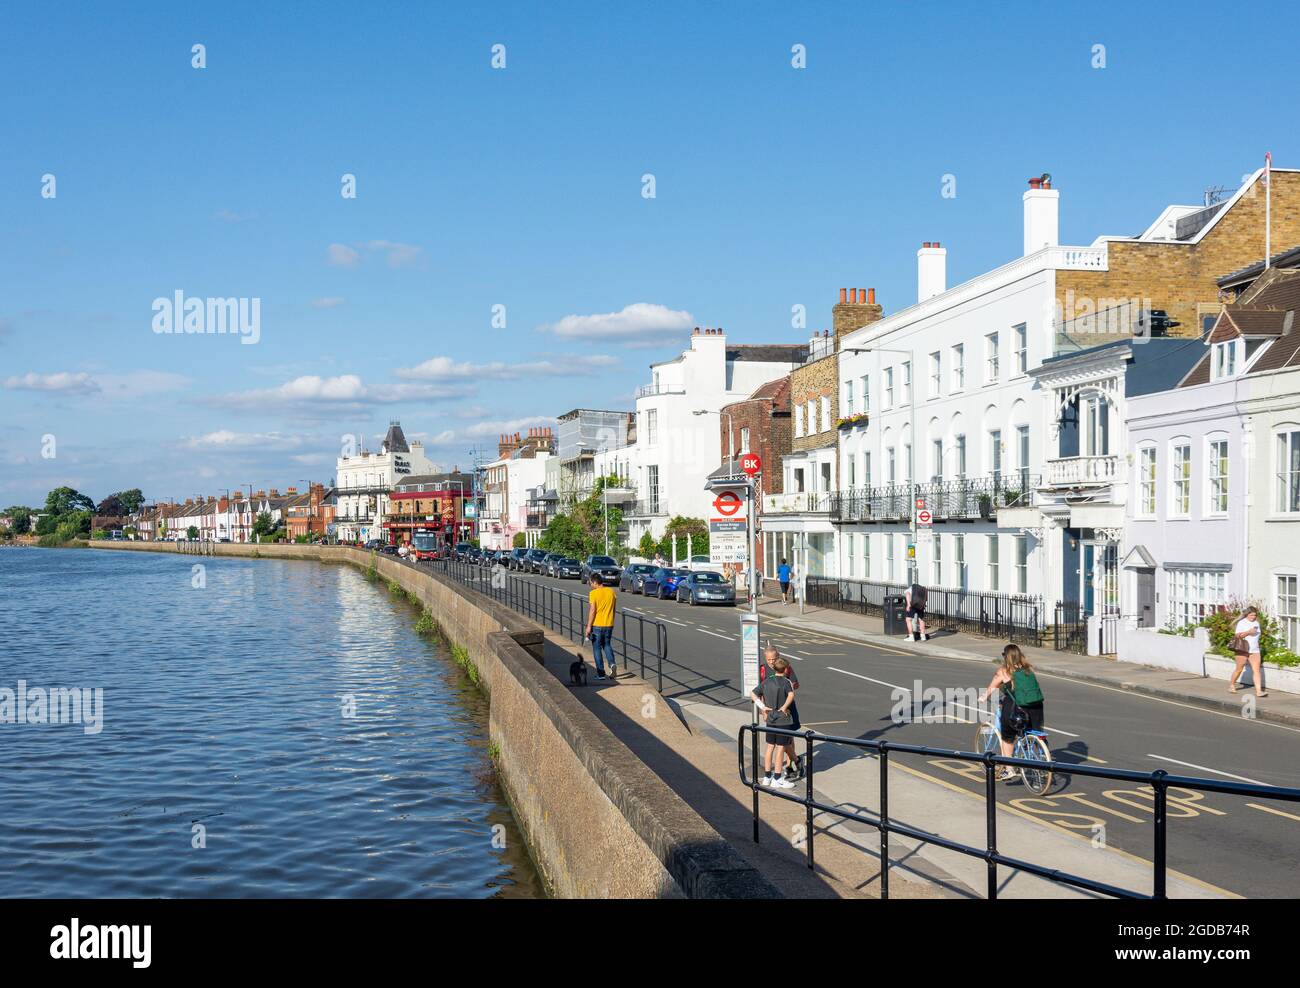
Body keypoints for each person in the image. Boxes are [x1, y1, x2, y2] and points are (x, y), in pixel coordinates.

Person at [981, 644, 1045, 781]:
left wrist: (983, 697)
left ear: (1005, 657)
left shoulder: (1003, 671)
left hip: (1017, 708)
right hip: (1036, 707)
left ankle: (1009, 769)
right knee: (1034, 732)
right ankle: (1043, 761)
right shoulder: (1028, 669)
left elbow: (992, 688)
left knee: (1007, 737)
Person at [751, 655, 797, 789]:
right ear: (786, 669)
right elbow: (791, 695)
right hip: (783, 720)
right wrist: (784, 707)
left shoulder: (767, 681)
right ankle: (777, 777)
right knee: (780, 748)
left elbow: (753, 693)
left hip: (770, 717)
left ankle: (767, 776)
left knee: (770, 747)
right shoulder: (787, 682)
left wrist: (762, 707)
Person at [758, 645, 802, 780]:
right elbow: (759, 692)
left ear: (778, 656)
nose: (772, 662)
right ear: (765, 658)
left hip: (788, 708)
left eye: (774, 658)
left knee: (789, 737)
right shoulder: (762, 670)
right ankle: (796, 760)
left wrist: (785, 685)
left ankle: (789, 766)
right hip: (771, 709)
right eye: (769, 659)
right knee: (775, 742)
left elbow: (795, 684)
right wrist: (763, 710)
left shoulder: (785, 667)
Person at [584, 573, 618, 681]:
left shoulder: (593, 593)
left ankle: (601, 673)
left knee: (597, 648)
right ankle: (612, 664)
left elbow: (593, 610)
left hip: (597, 625)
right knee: (607, 645)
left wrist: (588, 626)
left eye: (590, 583)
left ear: (595, 582)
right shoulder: (611, 592)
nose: (590, 585)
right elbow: (613, 608)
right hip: (609, 624)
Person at [1229, 606, 1269, 698]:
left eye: (1255, 615)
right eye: (1251, 615)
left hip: (1255, 650)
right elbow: (1238, 636)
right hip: (1243, 649)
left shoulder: (1256, 623)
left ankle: (1259, 691)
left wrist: (1257, 644)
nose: (1253, 617)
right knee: (1239, 669)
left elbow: (1257, 636)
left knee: (1257, 670)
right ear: (1247, 614)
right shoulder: (1241, 623)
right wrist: (1248, 632)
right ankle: (1231, 685)